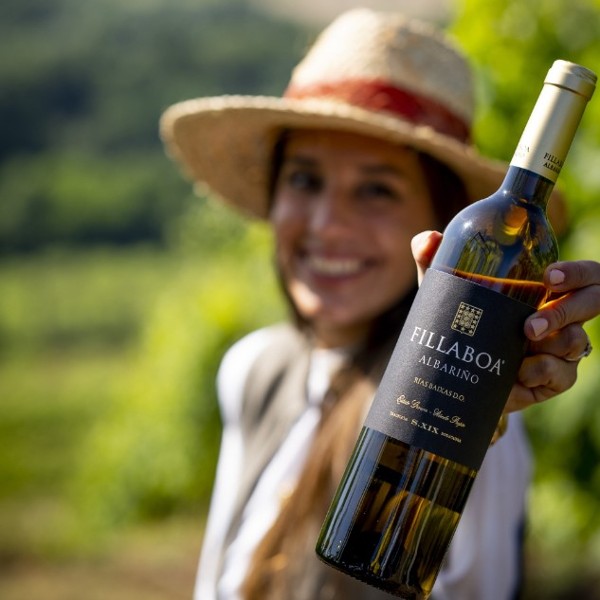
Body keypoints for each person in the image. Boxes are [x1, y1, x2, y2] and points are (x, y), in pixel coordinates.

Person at [160, 9, 598, 600]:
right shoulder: (254, 368)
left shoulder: (480, 421)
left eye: (376, 189)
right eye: (304, 179)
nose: (327, 224)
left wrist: (479, 416)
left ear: (440, 222)